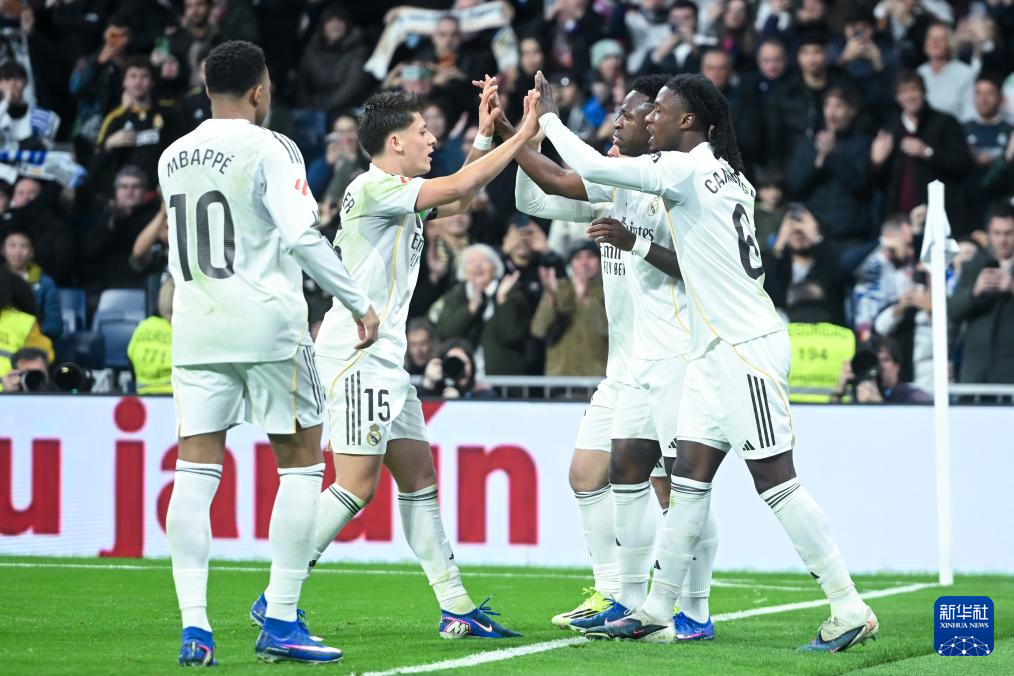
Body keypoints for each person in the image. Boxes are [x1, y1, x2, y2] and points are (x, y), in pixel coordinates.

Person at [534, 71, 877, 650]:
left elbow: (591, 166)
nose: (650, 118)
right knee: (688, 482)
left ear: (689, 121)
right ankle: (657, 608)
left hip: (745, 347)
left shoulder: (685, 168)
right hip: (709, 352)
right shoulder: (729, 175)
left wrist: (547, 117)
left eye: (660, 111)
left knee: (776, 482)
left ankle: (848, 606)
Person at [157, 40, 380, 665]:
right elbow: (303, 236)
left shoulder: (172, 156)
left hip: (195, 328)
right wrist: (357, 302)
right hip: (267, 328)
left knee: (194, 474)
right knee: (302, 467)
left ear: (208, 88)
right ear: (259, 90)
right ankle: (281, 619)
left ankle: (195, 627)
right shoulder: (271, 147)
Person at [301, 82, 540, 640]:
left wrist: (486, 136)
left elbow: (459, 200)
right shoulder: (373, 187)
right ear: (395, 142)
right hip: (358, 355)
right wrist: (524, 135)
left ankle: (456, 606)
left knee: (419, 479)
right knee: (356, 486)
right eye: (423, 131)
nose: (432, 139)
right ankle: (279, 593)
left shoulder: (397, 191)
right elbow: (460, 184)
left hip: (384, 358)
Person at [507, 74, 717, 639]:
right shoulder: (615, 189)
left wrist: (544, 122)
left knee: (677, 490)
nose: (618, 123)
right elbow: (534, 196)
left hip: (673, 359)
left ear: (659, 123)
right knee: (598, 475)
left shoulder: (678, 190)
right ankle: (619, 593)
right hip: (624, 368)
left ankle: (694, 607)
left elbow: (696, 267)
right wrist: (516, 135)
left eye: (632, 115)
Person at [870, 70, 973, 235]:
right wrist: (877, 163)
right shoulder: (891, 130)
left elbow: (962, 164)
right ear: (897, 98)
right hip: (901, 220)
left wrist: (927, 152)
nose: (909, 96)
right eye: (903, 92)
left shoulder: (946, 122)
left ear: (924, 92)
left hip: (941, 216)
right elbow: (879, 184)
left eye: (914, 90)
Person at [430, 243, 530, 376]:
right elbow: (446, 333)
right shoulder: (455, 295)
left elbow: (511, 335)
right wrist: (471, 308)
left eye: (484, 261)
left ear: (495, 268)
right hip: (463, 378)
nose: (478, 265)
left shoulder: (512, 292)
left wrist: (502, 300)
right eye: (471, 262)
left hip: (503, 380)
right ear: (463, 271)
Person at [949, 205, 1014, 384]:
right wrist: (974, 292)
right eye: (997, 233)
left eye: (1008, 233)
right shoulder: (974, 266)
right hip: (976, 372)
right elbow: (953, 311)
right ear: (989, 233)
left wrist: (1011, 287)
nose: (1002, 239)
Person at [530, 240, 608, 376]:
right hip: (561, 380)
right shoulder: (559, 289)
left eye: (590, 257)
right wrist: (550, 297)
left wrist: (586, 300)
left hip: (598, 379)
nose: (584, 263)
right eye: (578, 258)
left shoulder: (609, 291)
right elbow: (539, 330)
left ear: (600, 261)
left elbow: (606, 329)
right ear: (570, 263)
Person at [831, 336, 931, 404]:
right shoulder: (857, 393)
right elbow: (831, 423)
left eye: (884, 360)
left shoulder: (914, 397)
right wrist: (839, 390)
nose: (879, 366)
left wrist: (878, 404)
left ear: (897, 366)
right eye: (874, 361)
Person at [2, 228, 61, 340]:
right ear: (3, 250)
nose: (18, 251)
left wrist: (30, 332)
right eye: (12, 245)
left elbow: (54, 326)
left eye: (24, 246)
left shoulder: (45, 283)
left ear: (32, 252)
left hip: (32, 340)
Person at [127, 276, 174, 395]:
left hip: (143, 396)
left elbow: (130, 355)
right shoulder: (184, 331)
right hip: (174, 397)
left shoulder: (144, 326)